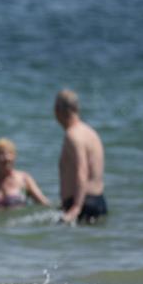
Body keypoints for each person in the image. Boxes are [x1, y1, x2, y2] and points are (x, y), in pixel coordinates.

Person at [54, 89, 108, 223]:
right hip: (98, 201)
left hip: (82, 203)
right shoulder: (91, 133)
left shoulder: (72, 135)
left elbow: (81, 171)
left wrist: (76, 207)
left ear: (58, 110)